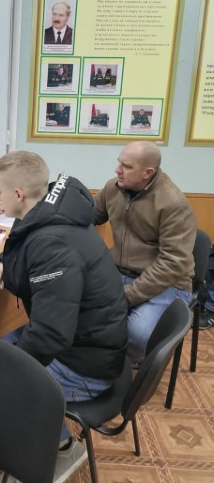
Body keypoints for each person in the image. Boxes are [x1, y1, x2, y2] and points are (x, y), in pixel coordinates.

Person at [0, 151, 127, 483]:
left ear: (17, 194)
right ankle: (53, 437)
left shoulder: (52, 243)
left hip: (86, 365)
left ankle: (53, 452)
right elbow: (20, 248)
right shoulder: (49, 215)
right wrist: (0, 263)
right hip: (91, 343)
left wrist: (10, 375)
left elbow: (50, 335)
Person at [94, 141, 196, 363]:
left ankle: (124, 370)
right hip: (119, 271)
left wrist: (127, 295)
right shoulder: (113, 188)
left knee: (137, 336)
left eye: (127, 166)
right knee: (81, 312)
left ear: (147, 173)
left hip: (167, 282)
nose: (117, 170)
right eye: (119, 163)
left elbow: (172, 264)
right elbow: (90, 216)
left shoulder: (174, 204)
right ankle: (95, 364)